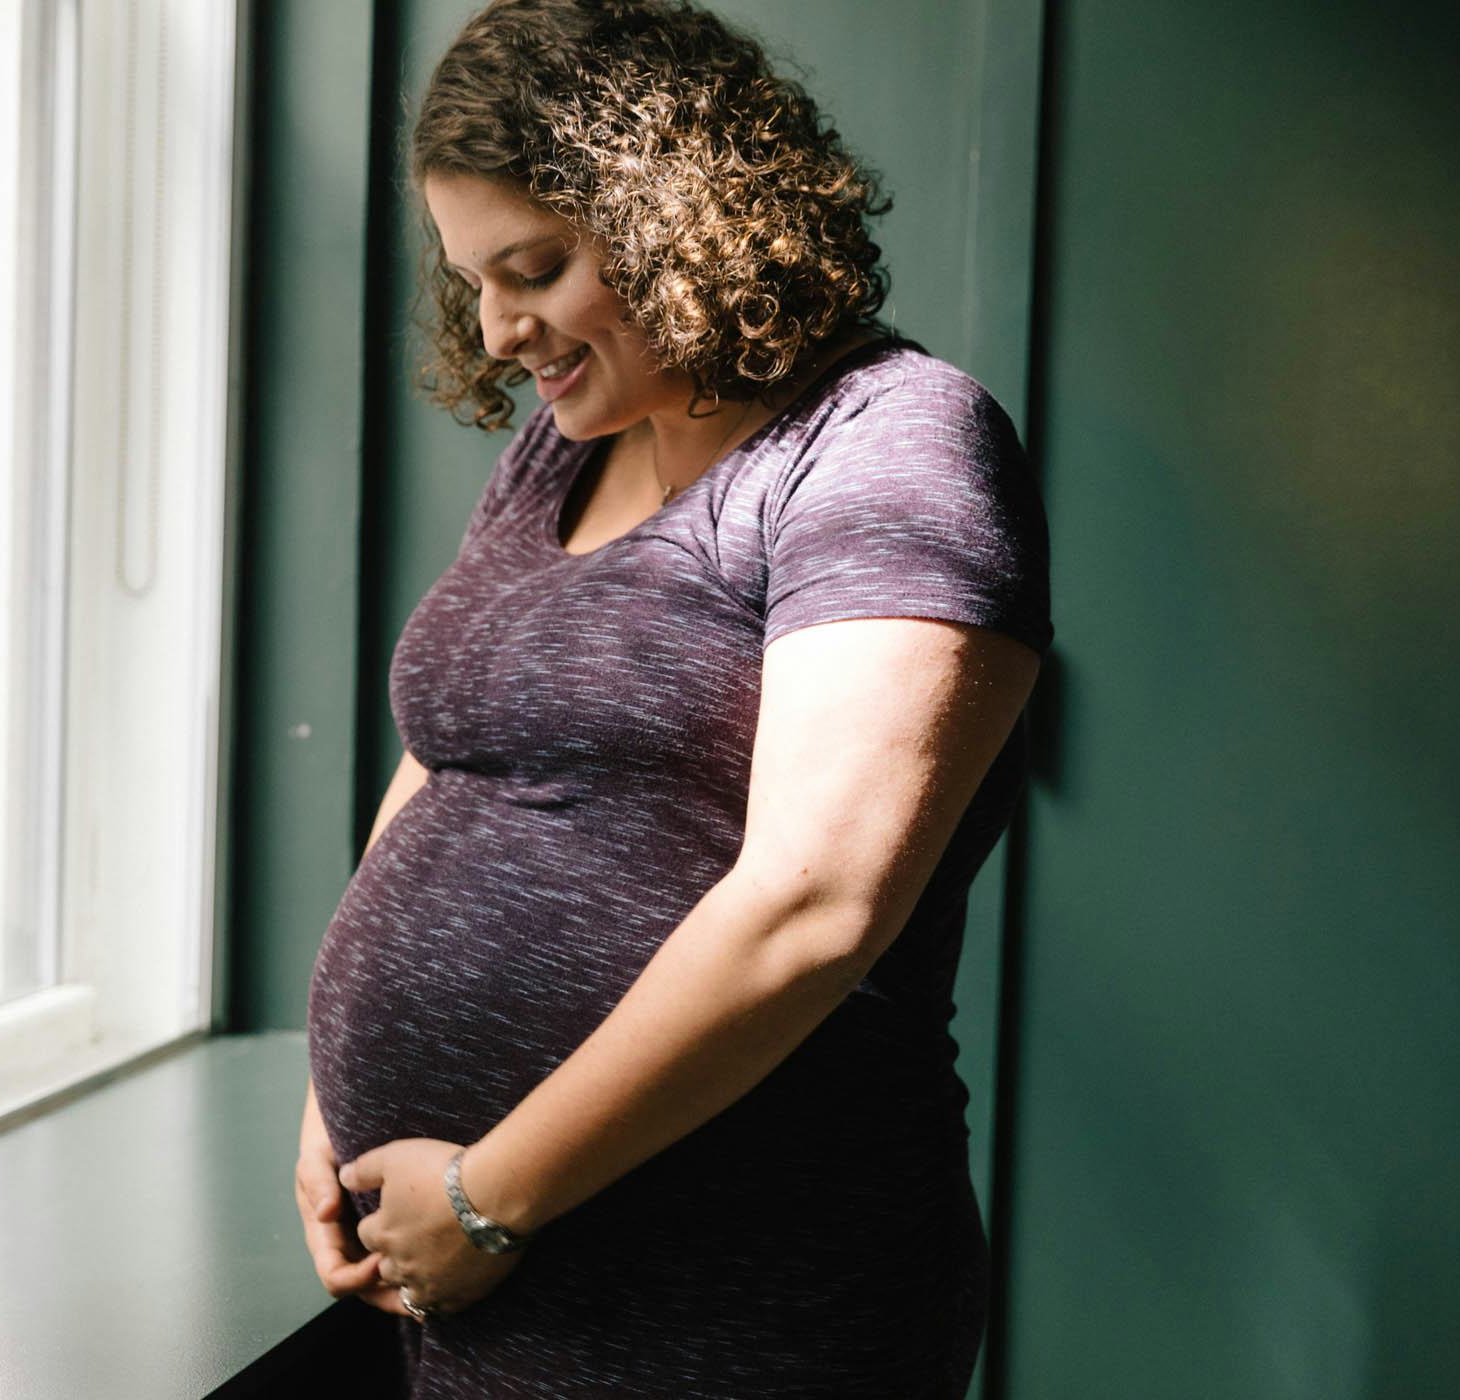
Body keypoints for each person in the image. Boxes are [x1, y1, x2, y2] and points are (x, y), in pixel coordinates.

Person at [291, 1, 1053, 1394]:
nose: (501, 326)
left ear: (676, 217)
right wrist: (328, 1101)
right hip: (478, 1281)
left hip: (731, 1299)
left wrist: (488, 1196)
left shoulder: (890, 444)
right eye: (472, 279)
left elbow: (815, 905)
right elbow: (450, 750)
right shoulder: (561, 452)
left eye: (534, 267)